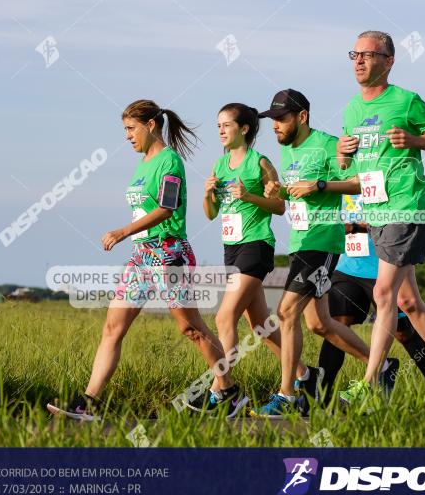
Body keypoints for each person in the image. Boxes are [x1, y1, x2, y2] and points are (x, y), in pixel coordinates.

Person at [47, 100, 238, 420]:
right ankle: (89, 403)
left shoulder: (170, 162)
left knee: (191, 328)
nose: (127, 136)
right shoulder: (142, 165)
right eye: (125, 130)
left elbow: (166, 208)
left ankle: (228, 390)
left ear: (151, 125)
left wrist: (123, 231)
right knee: (113, 327)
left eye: (131, 129)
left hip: (170, 254)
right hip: (142, 256)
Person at [336, 30, 425, 409]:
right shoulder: (351, 109)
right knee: (409, 302)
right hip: (375, 211)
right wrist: (341, 153)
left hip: (406, 208)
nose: (360, 61)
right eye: (355, 54)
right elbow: (348, 165)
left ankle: (370, 381)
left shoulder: (406, 100)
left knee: (383, 295)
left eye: (368, 54)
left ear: (389, 61)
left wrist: (413, 140)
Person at [250, 89, 374, 417]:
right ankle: (381, 364)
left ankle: (287, 395)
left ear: (301, 117)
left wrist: (319, 184)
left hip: (322, 243)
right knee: (319, 323)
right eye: (272, 120)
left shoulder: (328, 145)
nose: (275, 126)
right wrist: (279, 191)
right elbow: (298, 195)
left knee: (287, 313)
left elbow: (361, 182)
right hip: (300, 243)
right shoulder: (289, 152)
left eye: (281, 119)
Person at [194, 102, 320, 414]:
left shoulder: (259, 163)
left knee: (224, 317)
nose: (221, 131)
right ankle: (305, 375)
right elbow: (211, 215)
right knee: (261, 325)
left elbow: (279, 206)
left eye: (226, 125)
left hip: (256, 246)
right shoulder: (219, 166)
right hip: (231, 248)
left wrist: (249, 196)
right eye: (218, 126)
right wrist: (208, 194)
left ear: (244, 129)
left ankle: (223, 391)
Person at [318, 194, 425, 405]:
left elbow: (394, 219)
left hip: (385, 266)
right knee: (337, 324)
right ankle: (322, 395)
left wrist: (355, 227)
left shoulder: (379, 170)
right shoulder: (338, 176)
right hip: (348, 267)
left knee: (404, 332)